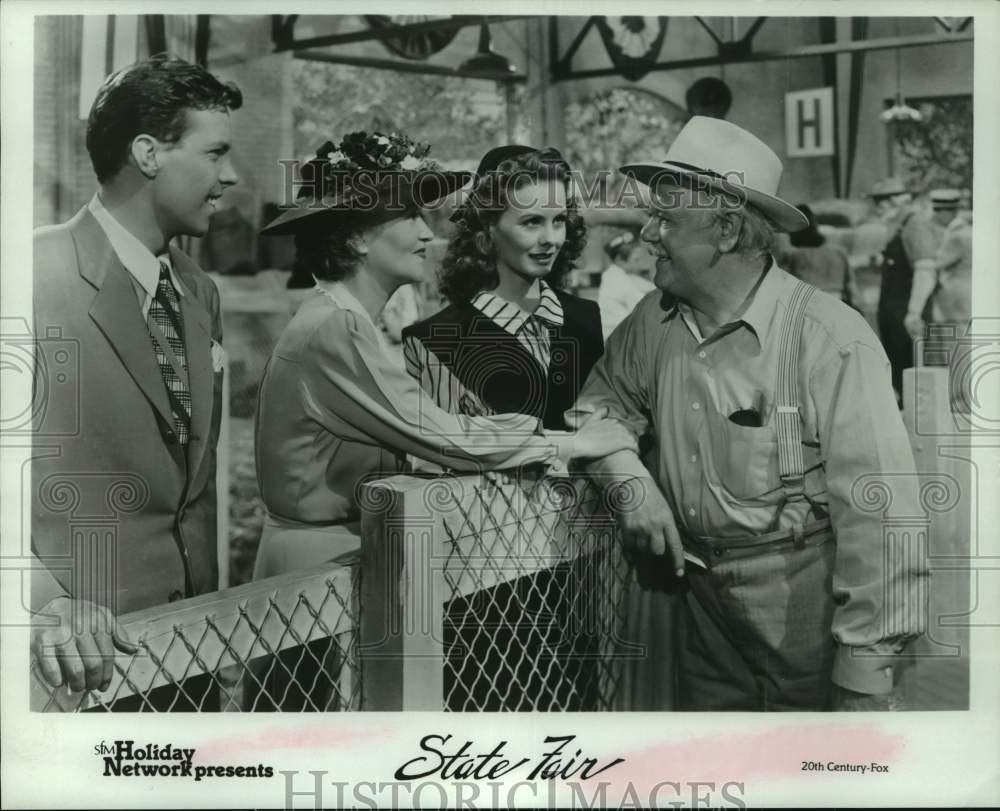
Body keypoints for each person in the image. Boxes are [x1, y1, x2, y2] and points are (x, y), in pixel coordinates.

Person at [574, 116, 929, 711]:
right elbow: (600, 403)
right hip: (699, 617)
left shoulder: (830, 339)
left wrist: (864, 677)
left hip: (808, 620)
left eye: (667, 220)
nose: (649, 236)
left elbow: (883, 517)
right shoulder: (652, 320)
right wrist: (626, 476)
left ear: (727, 230)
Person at [254, 132, 634, 580]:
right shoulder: (335, 326)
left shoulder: (341, 319)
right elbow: (446, 436)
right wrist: (572, 443)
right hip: (315, 563)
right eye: (409, 215)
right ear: (356, 237)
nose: (427, 232)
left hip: (345, 548)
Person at [31, 55, 242, 700]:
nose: (230, 177)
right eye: (215, 154)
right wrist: (43, 601)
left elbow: (196, 491)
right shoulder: (34, 274)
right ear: (149, 153)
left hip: (189, 656)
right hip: (69, 668)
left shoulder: (198, 290)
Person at [401, 145, 603, 431]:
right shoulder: (434, 342)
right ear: (487, 229)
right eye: (532, 222)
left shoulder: (586, 319)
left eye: (558, 220)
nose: (551, 239)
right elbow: (438, 455)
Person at [870, 177, 938, 398]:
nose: (876, 209)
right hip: (895, 315)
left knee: (915, 374)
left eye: (878, 203)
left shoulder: (914, 223)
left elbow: (925, 271)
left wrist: (914, 312)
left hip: (907, 315)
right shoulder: (899, 225)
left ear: (892, 202)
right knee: (900, 372)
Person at [905, 188, 971, 337]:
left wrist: (919, 263)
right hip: (964, 306)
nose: (933, 218)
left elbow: (932, 265)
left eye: (936, 212)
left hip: (956, 308)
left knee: (957, 356)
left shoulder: (957, 237)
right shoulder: (966, 232)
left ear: (946, 212)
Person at [775, 203, 860, 311]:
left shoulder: (792, 256)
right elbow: (852, 290)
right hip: (838, 307)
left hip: (808, 307)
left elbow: (782, 290)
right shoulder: (839, 252)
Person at [598, 231, 656, 339]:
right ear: (620, 260)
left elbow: (649, 287)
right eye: (636, 260)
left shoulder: (614, 274)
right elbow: (644, 307)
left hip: (621, 335)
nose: (640, 264)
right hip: (617, 338)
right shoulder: (617, 280)